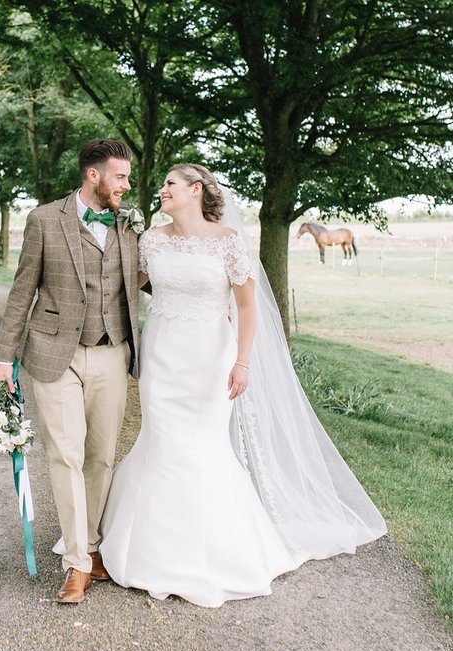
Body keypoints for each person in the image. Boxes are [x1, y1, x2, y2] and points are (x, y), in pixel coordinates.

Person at [97, 163, 387, 607]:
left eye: (169, 184)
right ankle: (147, 546)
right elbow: (124, 288)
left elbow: (247, 308)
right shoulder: (151, 239)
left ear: (195, 191)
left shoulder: (228, 243)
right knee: (161, 439)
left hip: (210, 356)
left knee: (202, 444)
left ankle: (214, 549)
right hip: (162, 356)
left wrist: (243, 362)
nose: (161, 190)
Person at [0, 139, 142, 604]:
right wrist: (4, 359)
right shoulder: (43, 220)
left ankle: (93, 546)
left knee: (100, 456)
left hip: (111, 351)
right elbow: (22, 292)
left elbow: (148, 278)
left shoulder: (131, 224)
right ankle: (76, 562)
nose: (127, 185)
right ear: (93, 176)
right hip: (54, 353)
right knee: (66, 455)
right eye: (120, 176)